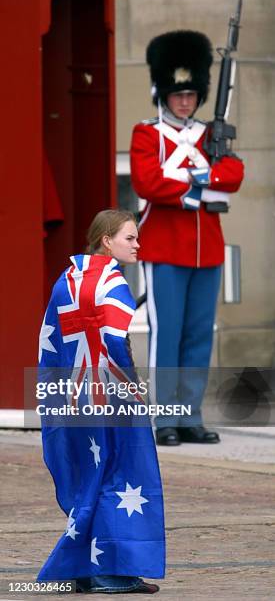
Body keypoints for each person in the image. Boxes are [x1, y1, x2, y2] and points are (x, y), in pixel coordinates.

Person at [37, 209, 165, 594]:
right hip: (109, 395)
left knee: (91, 480)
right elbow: (113, 340)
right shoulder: (111, 281)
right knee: (121, 476)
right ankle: (110, 570)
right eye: (130, 238)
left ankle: (80, 566)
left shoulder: (67, 279)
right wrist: (132, 385)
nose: (137, 245)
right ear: (106, 240)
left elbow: (50, 342)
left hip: (73, 396)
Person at [130, 31, 244, 446]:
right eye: (178, 94)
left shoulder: (208, 135)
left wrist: (195, 178)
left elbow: (233, 174)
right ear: (163, 93)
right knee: (169, 333)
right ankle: (165, 418)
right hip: (164, 248)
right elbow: (146, 181)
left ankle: (190, 415)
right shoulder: (147, 134)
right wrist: (199, 189)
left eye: (191, 94)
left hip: (207, 249)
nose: (184, 102)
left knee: (199, 335)